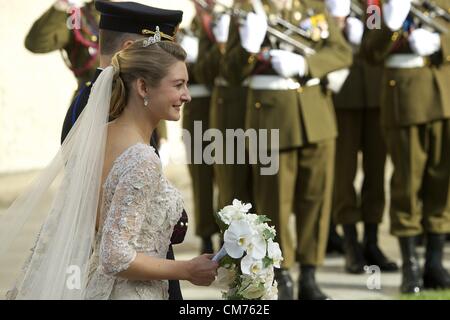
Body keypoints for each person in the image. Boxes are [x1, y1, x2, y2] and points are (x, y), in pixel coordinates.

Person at [1, 33, 219, 300]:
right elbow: (114, 255)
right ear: (143, 87)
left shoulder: (98, 137)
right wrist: (187, 269)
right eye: (178, 85)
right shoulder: (142, 159)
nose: (187, 95)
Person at [223, 0, 352, 299]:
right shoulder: (247, 7)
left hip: (316, 117)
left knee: (315, 201)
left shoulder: (312, 4)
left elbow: (341, 51)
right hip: (270, 116)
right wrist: (247, 48)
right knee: (274, 203)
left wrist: (306, 65)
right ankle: (281, 272)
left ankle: (309, 274)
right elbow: (229, 72)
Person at [59, 0, 186, 299]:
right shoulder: (107, 107)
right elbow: (104, 220)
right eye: (154, 51)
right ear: (128, 48)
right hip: (130, 276)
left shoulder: (98, 100)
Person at [362, 0, 450, 293]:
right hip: (404, 98)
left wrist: (441, 41)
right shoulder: (376, 5)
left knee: (442, 181)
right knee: (407, 183)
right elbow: (370, 49)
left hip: (444, 94)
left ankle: (435, 264)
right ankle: (411, 265)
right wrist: (391, 24)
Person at [325, 0, 397, 274]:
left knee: (376, 172)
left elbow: (379, 43)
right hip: (343, 96)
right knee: (344, 176)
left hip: (377, 93)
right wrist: (340, 29)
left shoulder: (373, 5)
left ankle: (372, 240)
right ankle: (351, 243)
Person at [179, 4, 218, 254]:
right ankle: (206, 234)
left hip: (226, 106)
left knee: (230, 178)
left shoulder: (228, 26)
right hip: (198, 108)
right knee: (202, 177)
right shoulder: (187, 31)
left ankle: (231, 233)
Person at [25, 0, 101, 101]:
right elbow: (36, 43)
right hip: (90, 102)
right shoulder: (79, 17)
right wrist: (63, 4)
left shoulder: (126, 14)